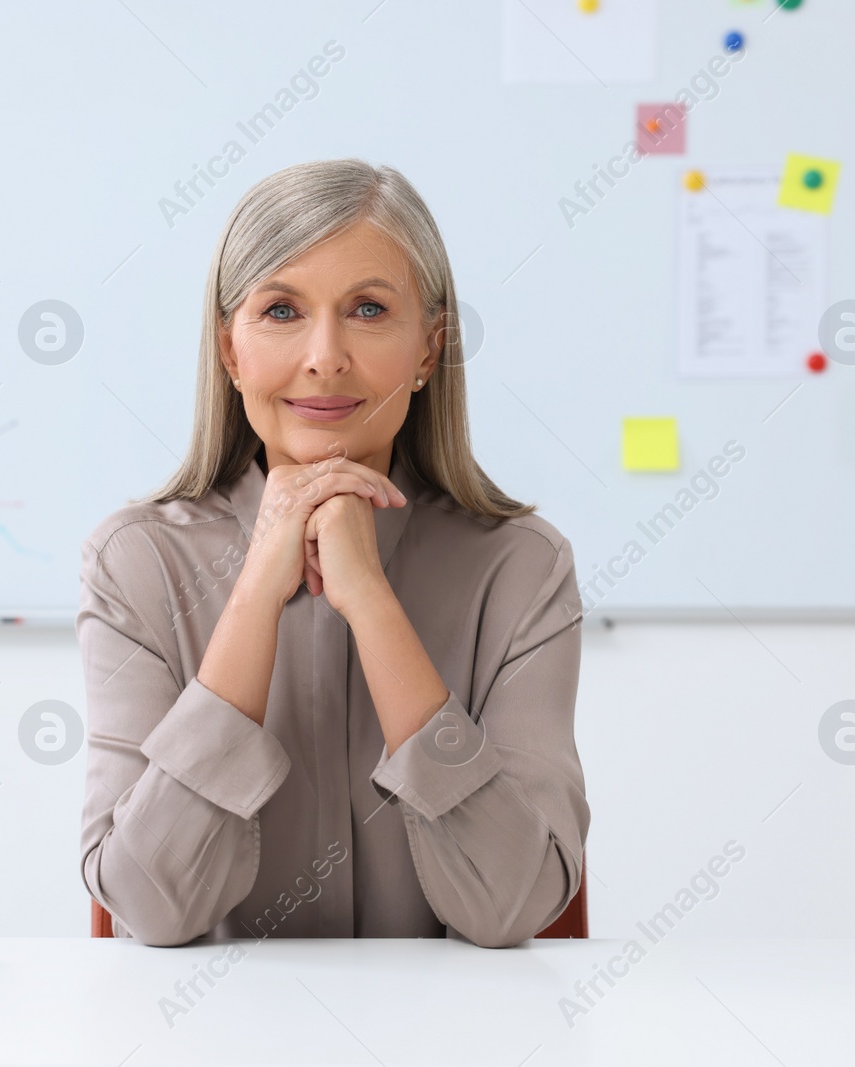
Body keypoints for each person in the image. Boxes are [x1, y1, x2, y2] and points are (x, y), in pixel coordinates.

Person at [77, 158, 587, 948]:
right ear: (229, 349)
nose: (325, 355)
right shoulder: (137, 564)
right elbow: (151, 906)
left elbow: (513, 905)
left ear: (429, 349)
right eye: (281, 310)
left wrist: (371, 600)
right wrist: (252, 596)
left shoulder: (521, 568)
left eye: (369, 309)